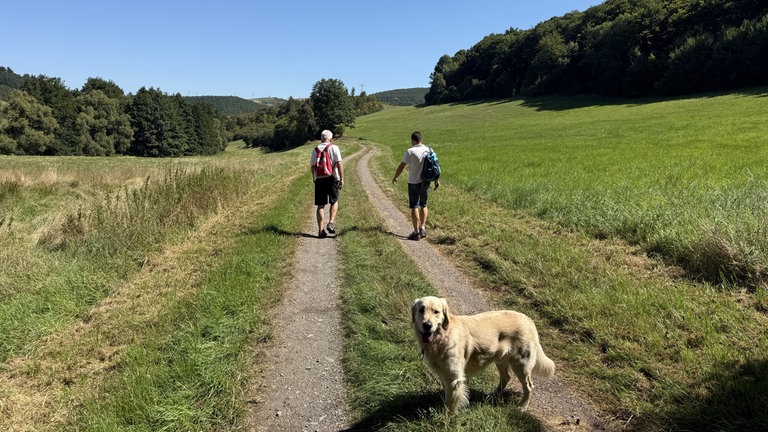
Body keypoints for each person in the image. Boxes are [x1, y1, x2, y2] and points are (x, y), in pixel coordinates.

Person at [391, 131, 440, 240]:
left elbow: (401, 166)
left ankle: (416, 232)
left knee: (414, 206)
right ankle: (422, 228)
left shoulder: (410, 151)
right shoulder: (429, 150)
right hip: (426, 181)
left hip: (413, 182)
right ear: (421, 139)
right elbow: (434, 166)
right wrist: (436, 181)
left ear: (413, 140)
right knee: (424, 204)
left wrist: (395, 177)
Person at [311, 129, 344, 238]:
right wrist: (341, 178)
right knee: (334, 201)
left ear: (321, 138)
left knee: (321, 205)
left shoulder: (315, 150)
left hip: (320, 179)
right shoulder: (334, 148)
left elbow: (312, 166)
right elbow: (339, 163)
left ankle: (321, 231)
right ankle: (330, 222)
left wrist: (314, 177)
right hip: (332, 177)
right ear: (331, 138)